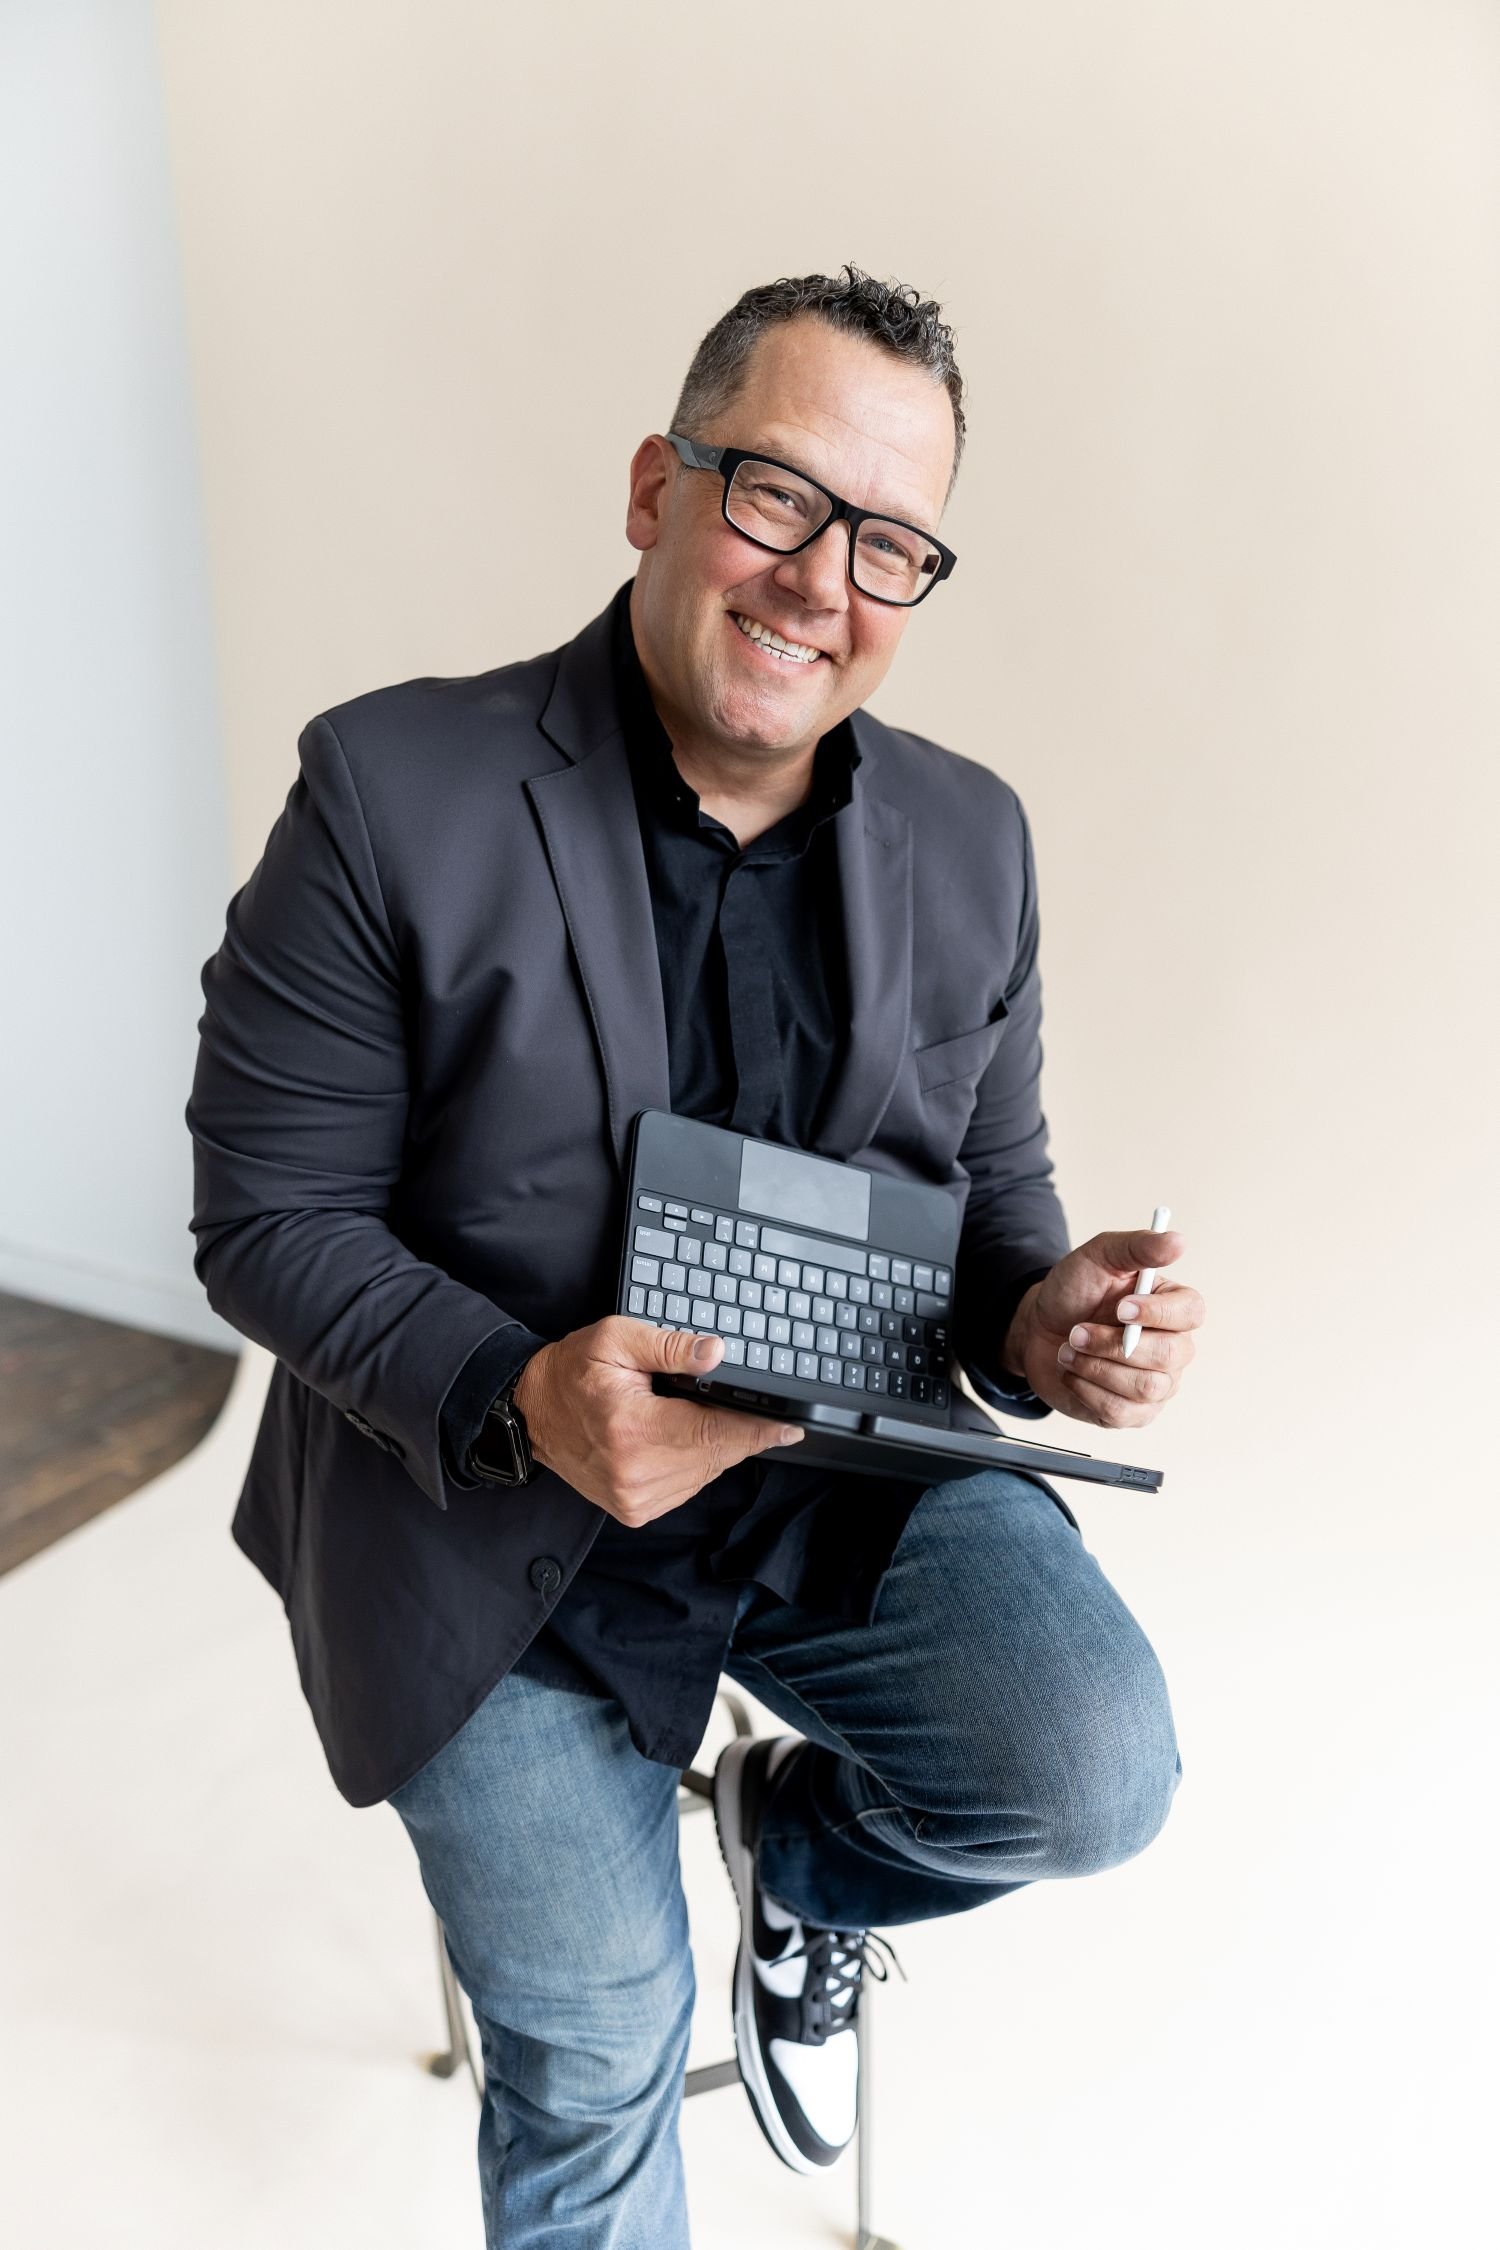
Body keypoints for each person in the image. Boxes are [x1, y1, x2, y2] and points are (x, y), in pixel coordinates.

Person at [187, 263, 1204, 2250]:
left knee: (1098, 1772)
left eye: (892, 542)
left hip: (822, 1474)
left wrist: (1048, 1315)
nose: (825, 582)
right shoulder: (393, 791)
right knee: (598, 2048)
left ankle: (797, 1861)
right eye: (775, 497)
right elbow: (264, 1214)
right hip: (478, 1507)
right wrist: (514, 1397)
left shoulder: (974, 842)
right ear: (657, 485)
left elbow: (992, 1213)